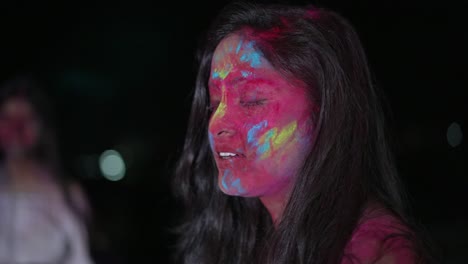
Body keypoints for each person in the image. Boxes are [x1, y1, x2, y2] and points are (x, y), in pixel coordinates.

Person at [173, 2, 436, 264]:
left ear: (323, 111)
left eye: (251, 100)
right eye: (215, 102)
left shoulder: (380, 254)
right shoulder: (247, 238)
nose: (217, 123)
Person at [0, 75, 94, 264]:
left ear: (42, 128)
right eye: (7, 119)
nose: (16, 128)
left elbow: (80, 258)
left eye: (26, 119)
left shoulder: (65, 195)